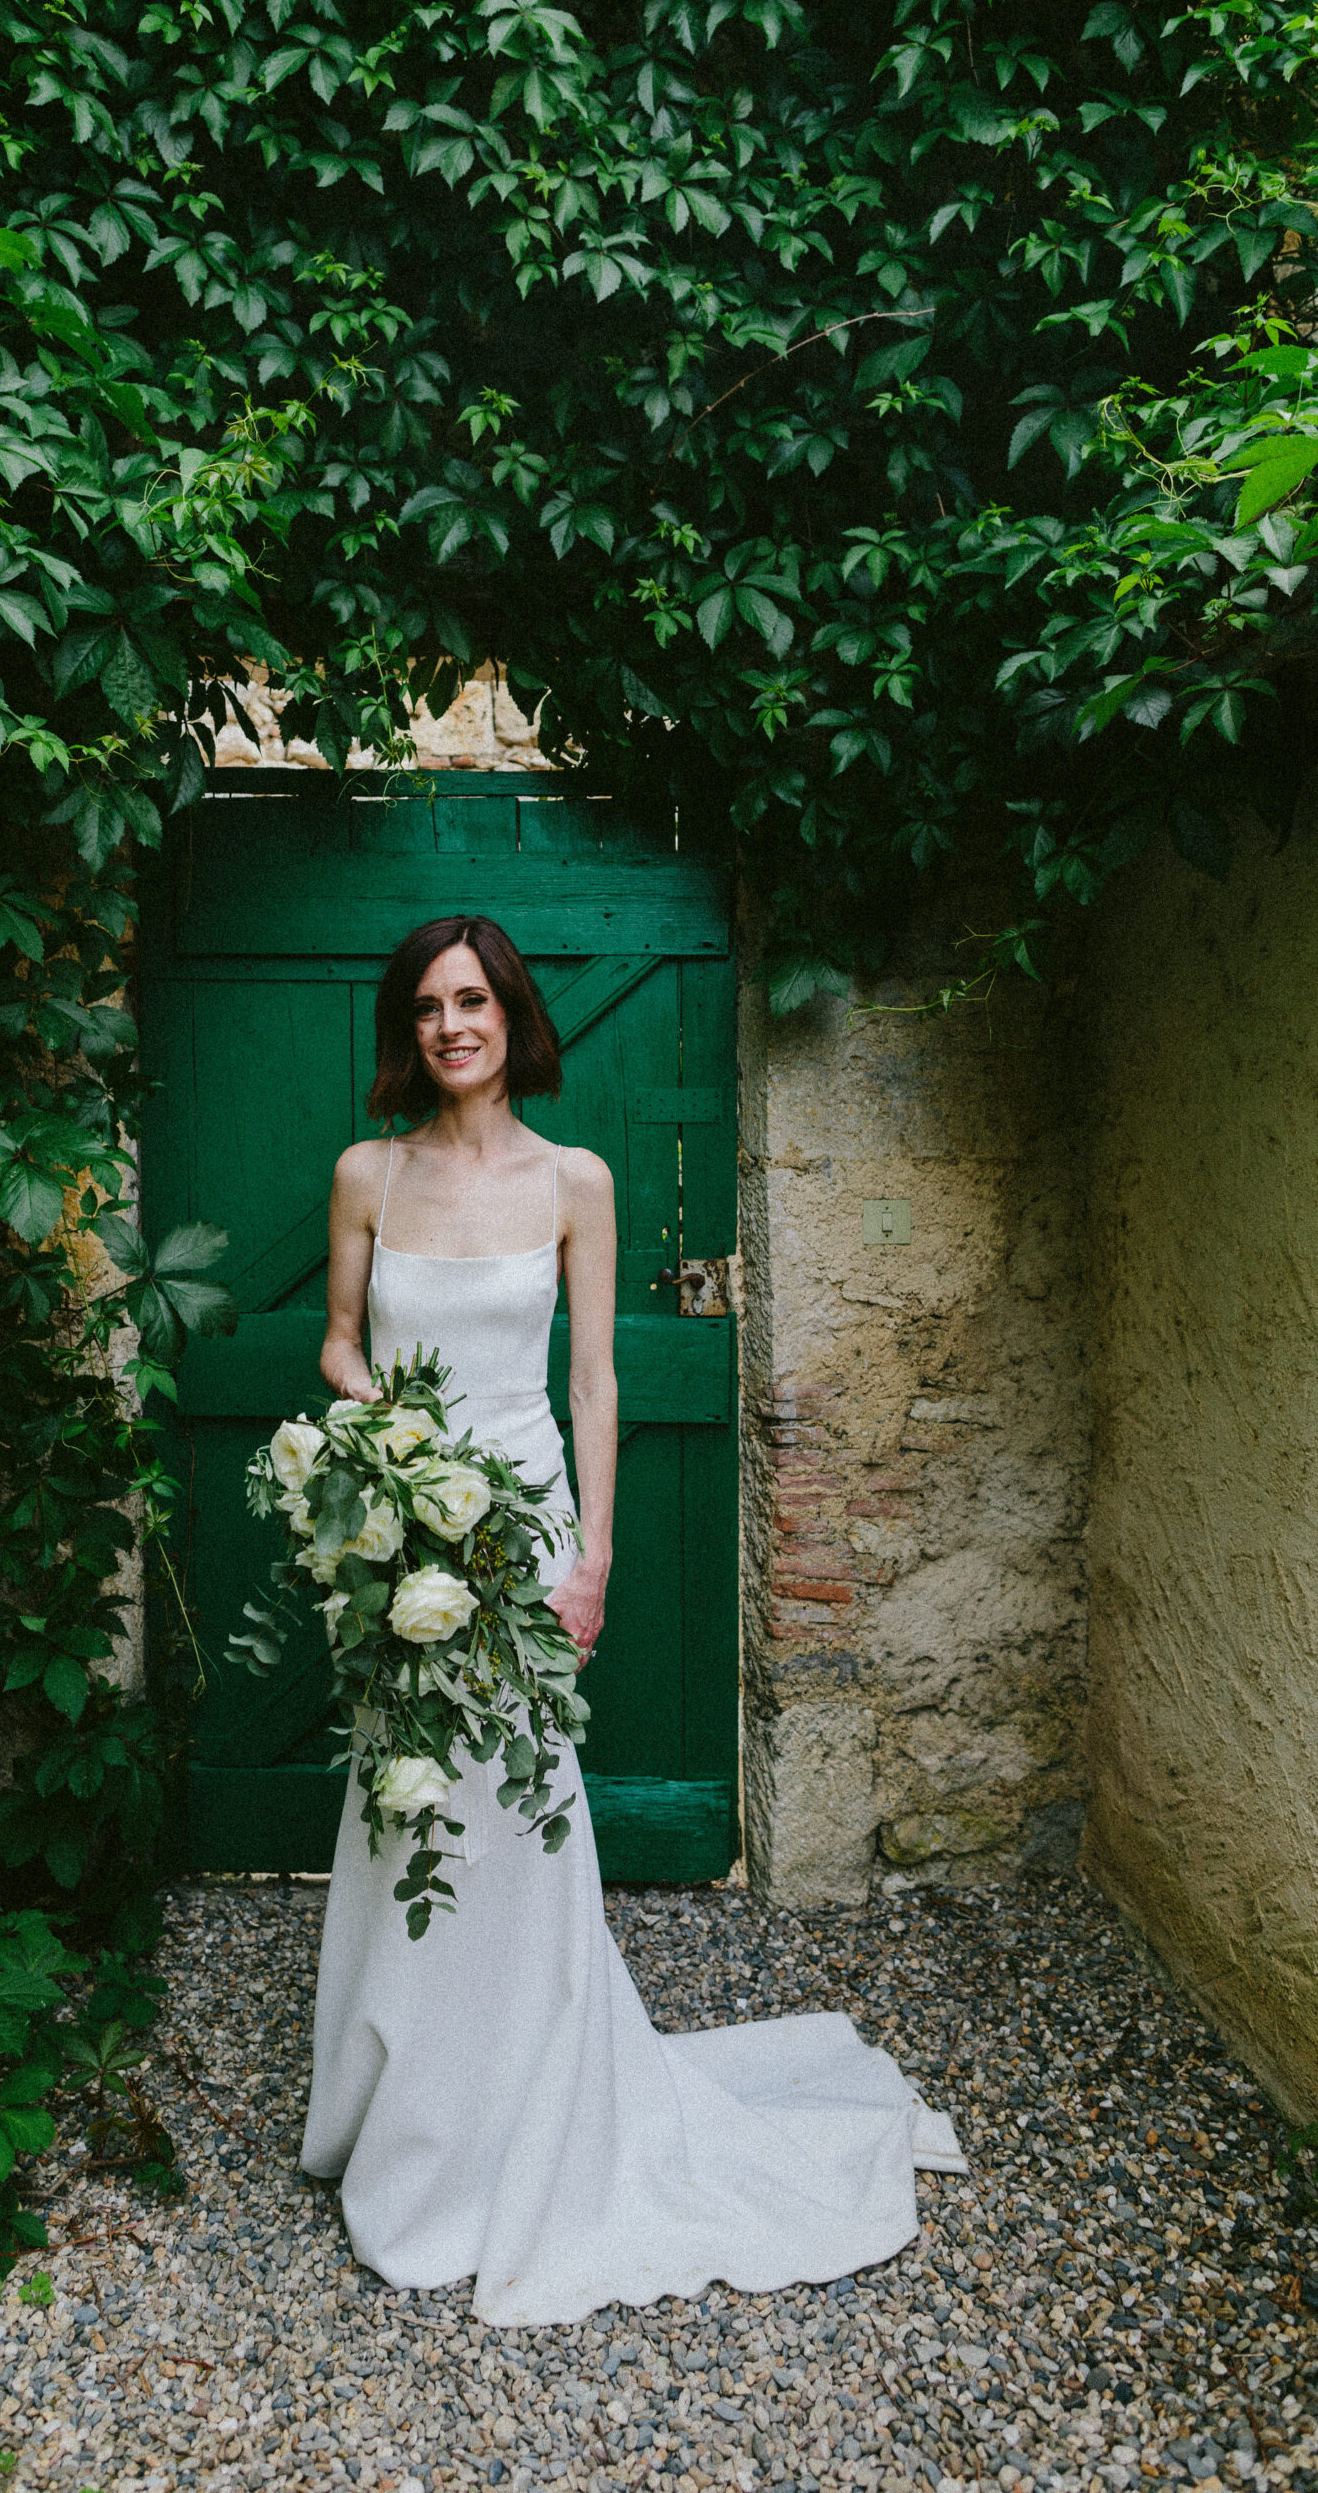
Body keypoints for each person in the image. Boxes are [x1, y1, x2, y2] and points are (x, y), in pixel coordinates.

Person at [299, 913, 962, 2326]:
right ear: (404, 1029)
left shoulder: (577, 1181)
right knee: (406, 1796)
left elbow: (593, 1383)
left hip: (527, 1522)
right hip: (412, 1523)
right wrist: (393, 1447)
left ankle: (527, 2106)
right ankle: (401, 2109)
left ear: (511, 1015)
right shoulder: (367, 1172)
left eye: (471, 1001)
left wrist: (590, 1555)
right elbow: (339, 1343)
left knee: (518, 1804)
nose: (449, 1026)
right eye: (425, 1006)